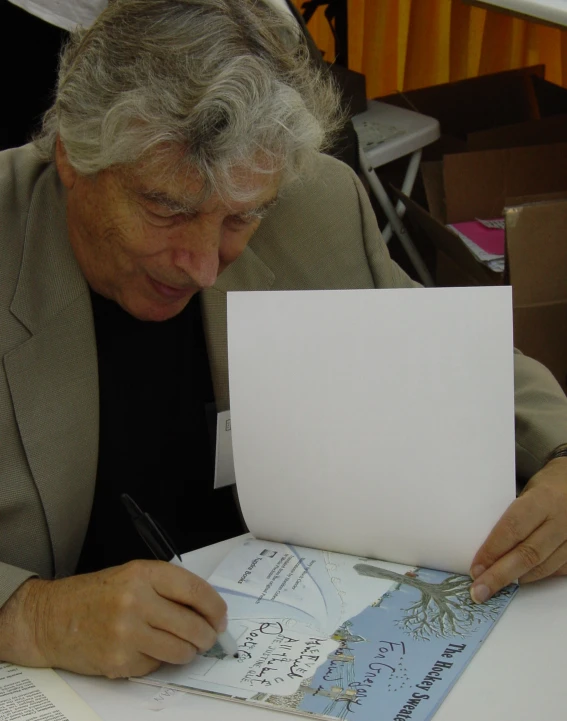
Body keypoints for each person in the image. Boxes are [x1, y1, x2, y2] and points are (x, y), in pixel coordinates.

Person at [0, 0, 566, 680]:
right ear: (72, 156)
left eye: (241, 217)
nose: (205, 264)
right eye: (167, 210)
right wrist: (32, 615)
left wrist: (561, 454)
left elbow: (458, 359)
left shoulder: (315, 203)